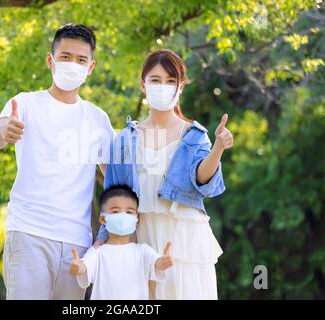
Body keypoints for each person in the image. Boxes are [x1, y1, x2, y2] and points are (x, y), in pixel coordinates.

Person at [0, 23, 115, 300]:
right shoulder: (25, 104)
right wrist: (3, 130)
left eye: (81, 60)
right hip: (29, 233)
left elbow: (114, 179)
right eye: (65, 57)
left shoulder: (98, 119)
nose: (73, 65)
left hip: (77, 243)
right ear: (51, 60)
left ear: (91, 67)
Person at [95, 49, 234, 299]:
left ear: (181, 86)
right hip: (141, 239)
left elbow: (203, 180)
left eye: (171, 81)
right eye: (155, 80)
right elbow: (112, 193)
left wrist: (218, 148)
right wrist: (103, 240)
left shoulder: (193, 135)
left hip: (186, 240)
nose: (163, 87)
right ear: (143, 85)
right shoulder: (125, 139)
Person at [69, 184, 173, 299]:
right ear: (103, 219)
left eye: (129, 212)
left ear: (137, 219)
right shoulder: (97, 252)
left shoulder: (143, 251)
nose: (123, 216)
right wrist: (78, 267)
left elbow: (156, 264)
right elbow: (85, 267)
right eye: (115, 211)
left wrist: (164, 262)